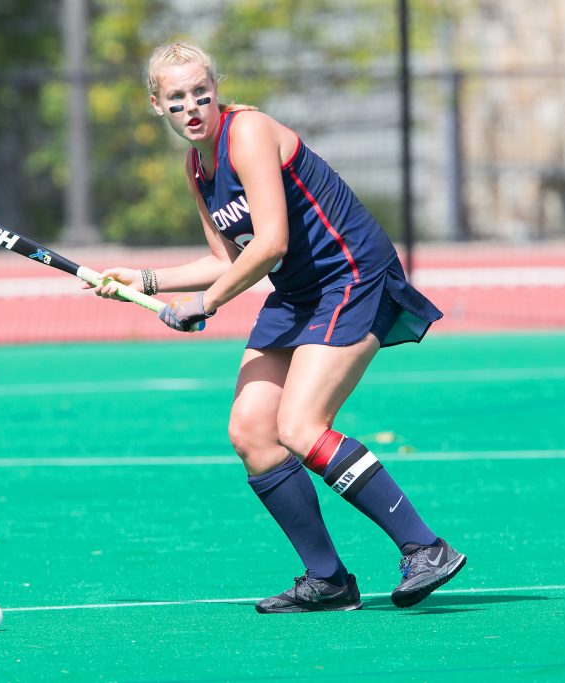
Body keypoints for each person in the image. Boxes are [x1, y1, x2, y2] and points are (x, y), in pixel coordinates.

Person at [90, 42, 465, 613]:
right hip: (297, 294)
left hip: (351, 275)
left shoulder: (248, 134)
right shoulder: (197, 167)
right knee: (252, 432)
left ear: (216, 91)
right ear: (156, 105)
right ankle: (329, 580)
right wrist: (144, 280)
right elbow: (223, 257)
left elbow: (270, 243)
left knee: (301, 425)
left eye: (200, 93)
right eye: (176, 99)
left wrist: (206, 304)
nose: (191, 107)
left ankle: (426, 547)